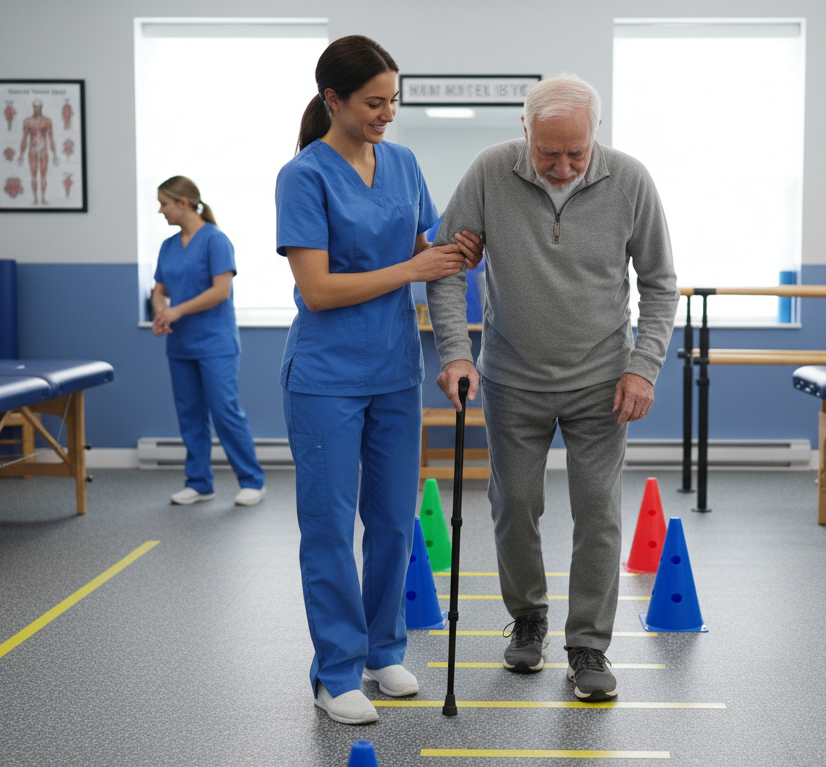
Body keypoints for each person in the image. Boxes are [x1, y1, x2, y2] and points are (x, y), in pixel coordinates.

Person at [426, 73, 678, 702]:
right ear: (525, 133)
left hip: (603, 382)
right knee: (515, 507)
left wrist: (643, 366)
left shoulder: (630, 181)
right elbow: (446, 268)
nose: (563, 166)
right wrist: (458, 353)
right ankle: (529, 617)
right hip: (512, 379)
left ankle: (589, 645)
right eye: (548, 153)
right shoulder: (489, 173)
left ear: (596, 135)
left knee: (598, 514)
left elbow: (660, 283)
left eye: (577, 152)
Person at [275, 35, 482, 726]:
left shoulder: (403, 162)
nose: (387, 113)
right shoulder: (303, 176)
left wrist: (453, 251)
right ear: (332, 99)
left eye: (394, 99)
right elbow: (318, 287)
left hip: (395, 369)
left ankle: (382, 648)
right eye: (373, 102)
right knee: (329, 526)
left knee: (392, 519)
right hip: (327, 374)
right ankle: (333, 671)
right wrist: (413, 270)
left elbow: (422, 247)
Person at [151, 175, 266, 508]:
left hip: (216, 342)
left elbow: (221, 290)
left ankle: (251, 481)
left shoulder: (216, 240)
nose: (161, 211)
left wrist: (176, 312)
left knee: (224, 411)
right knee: (189, 415)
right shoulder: (168, 246)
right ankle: (199, 482)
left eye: (164, 204)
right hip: (181, 345)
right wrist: (161, 312)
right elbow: (159, 290)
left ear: (183, 203)